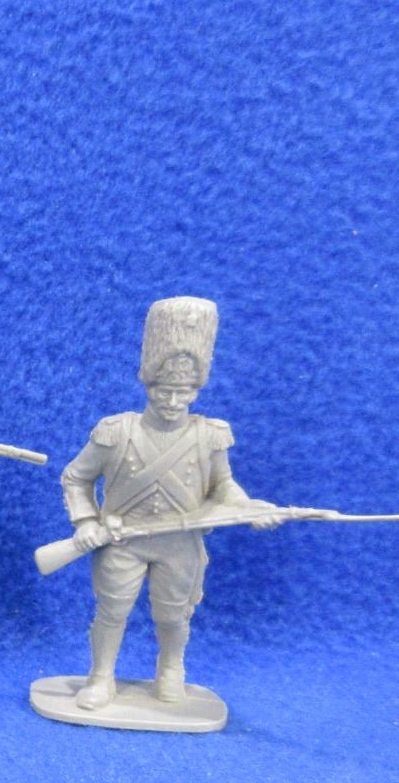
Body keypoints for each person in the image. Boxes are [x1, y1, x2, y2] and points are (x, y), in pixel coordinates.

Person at [58, 296, 276, 710]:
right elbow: (76, 477)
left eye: (184, 392)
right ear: (149, 386)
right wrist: (86, 521)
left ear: (196, 390)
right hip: (122, 541)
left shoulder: (210, 435)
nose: (174, 401)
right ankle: (101, 677)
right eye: (165, 391)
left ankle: (171, 669)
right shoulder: (116, 432)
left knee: (173, 615)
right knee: (112, 612)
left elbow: (224, 485)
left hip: (179, 543)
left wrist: (249, 509)